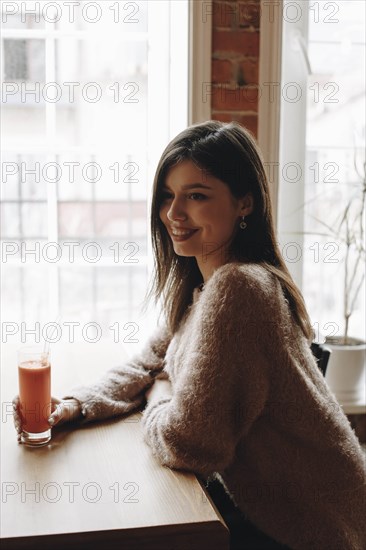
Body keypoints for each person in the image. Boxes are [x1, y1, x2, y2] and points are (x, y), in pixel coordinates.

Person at [13, 121, 365, 550]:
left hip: (309, 528)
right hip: (270, 512)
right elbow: (147, 364)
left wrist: (160, 395)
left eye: (196, 196)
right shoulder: (204, 287)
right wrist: (75, 405)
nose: (173, 214)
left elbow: (190, 443)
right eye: (167, 195)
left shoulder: (241, 288)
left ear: (244, 203)